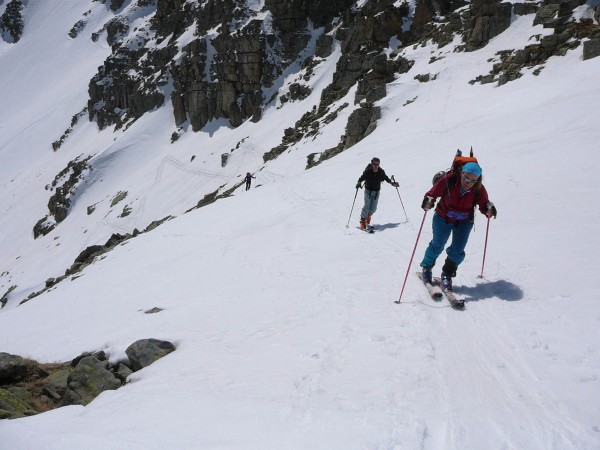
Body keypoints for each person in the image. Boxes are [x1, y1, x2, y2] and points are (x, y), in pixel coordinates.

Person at [419, 162, 497, 290]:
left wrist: (489, 210)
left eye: (473, 180)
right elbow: (432, 193)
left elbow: (484, 204)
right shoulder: (447, 180)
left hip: (464, 221)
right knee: (438, 244)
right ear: (461, 173)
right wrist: (428, 201)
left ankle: (447, 275)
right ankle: (427, 267)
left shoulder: (478, 188)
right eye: (466, 178)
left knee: (458, 250)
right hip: (442, 217)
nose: (468, 182)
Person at [355, 157, 399, 230]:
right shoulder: (368, 171)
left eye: (377, 164)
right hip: (368, 191)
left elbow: (386, 178)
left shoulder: (381, 171)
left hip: (376, 192)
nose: (376, 165)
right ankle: (362, 221)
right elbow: (361, 178)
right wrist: (359, 183)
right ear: (372, 164)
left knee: (373, 208)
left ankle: (368, 216)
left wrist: (392, 183)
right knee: (367, 206)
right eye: (374, 164)